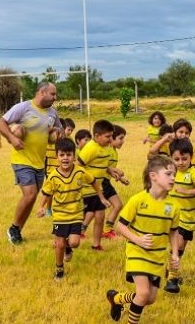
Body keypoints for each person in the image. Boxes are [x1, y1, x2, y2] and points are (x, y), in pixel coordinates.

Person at [106, 156, 180, 324]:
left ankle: (117, 299)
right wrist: (138, 239)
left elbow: (173, 231)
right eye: (169, 174)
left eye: (174, 174)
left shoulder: (173, 206)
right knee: (144, 293)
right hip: (137, 252)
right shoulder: (138, 200)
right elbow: (119, 226)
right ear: (153, 176)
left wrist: (175, 254)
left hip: (157, 256)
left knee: (149, 298)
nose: (173, 178)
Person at [0, 82, 62, 245]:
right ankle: (13, 228)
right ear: (41, 92)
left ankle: (17, 230)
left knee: (31, 199)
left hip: (40, 162)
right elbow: (1, 123)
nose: (55, 97)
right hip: (22, 160)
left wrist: (55, 134)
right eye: (53, 94)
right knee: (30, 194)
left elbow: (59, 129)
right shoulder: (24, 107)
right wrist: (12, 138)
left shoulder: (53, 113)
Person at [37, 137, 107, 281]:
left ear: (74, 156)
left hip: (76, 214)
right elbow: (46, 193)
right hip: (60, 216)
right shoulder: (53, 176)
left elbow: (93, 181)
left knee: (74, 242)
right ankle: (59, 268)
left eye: (69, 155)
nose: (65, 158)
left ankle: (68, 248)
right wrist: (41, 207)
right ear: (57, 157)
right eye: (62, 155)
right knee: (59, 244)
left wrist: (101, 197)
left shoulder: (80, 172)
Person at [163, 138, 195, 294]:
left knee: (180, 248)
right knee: (178, 246)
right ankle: (172, 279)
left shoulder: (192, 174)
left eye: (185, 159)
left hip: (189, 219)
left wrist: (188, 191)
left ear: (191, 158)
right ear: (171, 158)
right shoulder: (169, 174)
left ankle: (169, 271)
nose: (181, 162)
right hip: (172, 217)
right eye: (176, 159)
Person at [78, 120, 116, 250]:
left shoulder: (106, 149)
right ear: (97, 135)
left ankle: (96, 245)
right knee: (77, 218)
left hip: (97, 190)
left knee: (100, 216)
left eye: (111, 136)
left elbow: (103, 165)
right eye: (107, 136)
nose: (110, 139)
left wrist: (112, 171)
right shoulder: (90, 148)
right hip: (85, 190)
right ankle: (62, 239)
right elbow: (78, 165)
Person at [102, 124, 130, 240]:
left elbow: (110, 171)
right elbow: (101, 165)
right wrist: (116, 170)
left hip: (106, 182)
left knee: (118, 205)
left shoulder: (114, 152)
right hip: (100, 183)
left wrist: (121, 178)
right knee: (93, 210)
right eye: (121, 138)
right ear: (111, 138)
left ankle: (107, 230)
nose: (123, 141)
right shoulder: (106, 150)